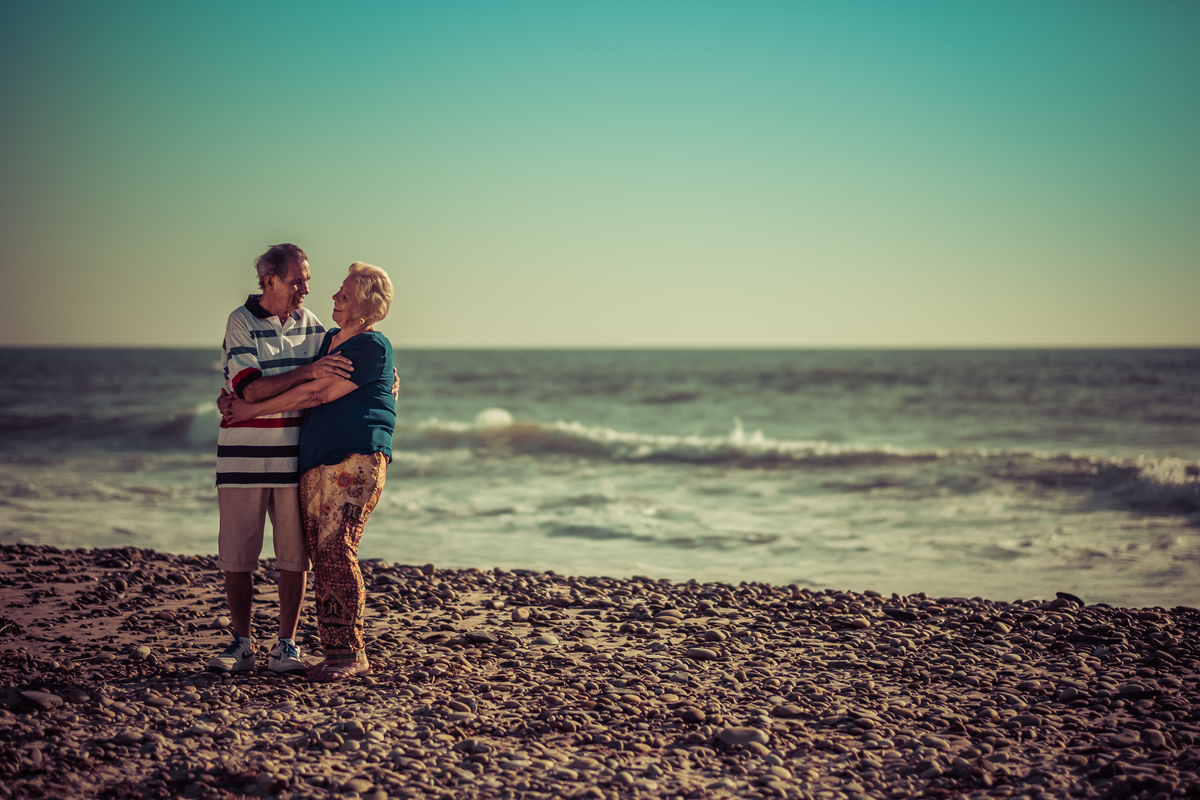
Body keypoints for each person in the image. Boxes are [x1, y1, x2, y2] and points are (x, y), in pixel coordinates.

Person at [225, 262, 396, 682]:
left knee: (337, 548)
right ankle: (336, 650)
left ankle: (350, 654)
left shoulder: (371, 345)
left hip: (354, 457)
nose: (334, 297)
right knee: (323, 553)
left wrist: (249, 411)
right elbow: (290, 378)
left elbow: (316, 393)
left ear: (365, 307)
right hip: (315, 460)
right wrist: (236, 398)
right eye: (338, 290)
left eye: (344, 294)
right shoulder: (329, 342)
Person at [209, 243, 354, 676]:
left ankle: (285, 645)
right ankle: (242, 643)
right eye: (297, 281)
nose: (305, 289)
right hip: (242, 461)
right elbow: (250, 389)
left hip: (296, 462)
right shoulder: (240, 321)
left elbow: (348, 359)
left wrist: (388, 377)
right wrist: (309, 371)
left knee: (294, 557)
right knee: (238, 556)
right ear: (270, 280)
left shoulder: (314, 326)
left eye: (307, 280)